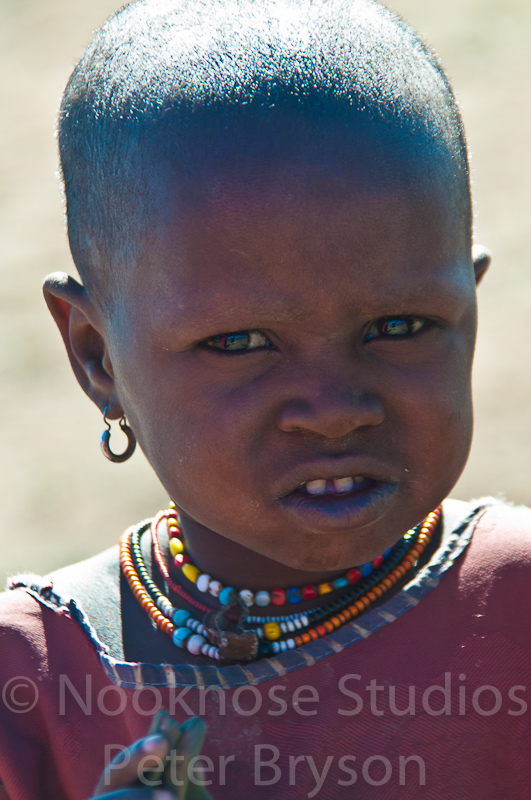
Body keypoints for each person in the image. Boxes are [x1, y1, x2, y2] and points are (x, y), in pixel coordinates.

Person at [1, 0, 530, 797]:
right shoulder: (33, 679)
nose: (333, 408)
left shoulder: (514, 605)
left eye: (398, 326)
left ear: (469, 309)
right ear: (96, 355)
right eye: (240, 343)